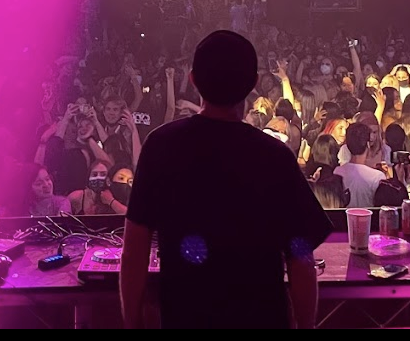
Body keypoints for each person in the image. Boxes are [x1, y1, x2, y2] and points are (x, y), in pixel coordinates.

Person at [121, 30, 332, 330]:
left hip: (186, 318)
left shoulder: (160, 145)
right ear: (253, 84)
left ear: (193, 80)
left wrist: (131, 323)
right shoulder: (275, 156)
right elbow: (300, 256)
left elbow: (134, 249)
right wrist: (306, 326)